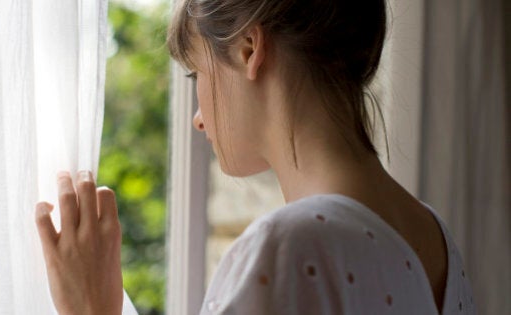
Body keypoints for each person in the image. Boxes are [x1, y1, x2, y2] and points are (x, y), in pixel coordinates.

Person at [34, 0, 475, 314]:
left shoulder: (291, 246)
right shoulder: (438, 241)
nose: (199, 119)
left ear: (249, 48)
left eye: (195, 74)